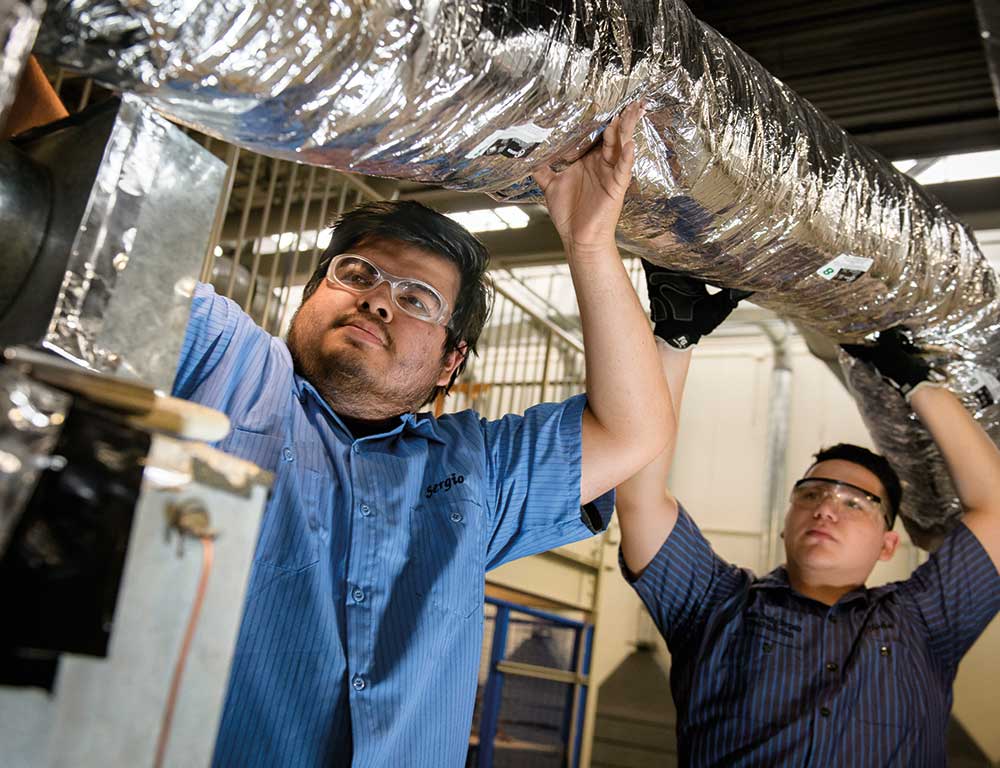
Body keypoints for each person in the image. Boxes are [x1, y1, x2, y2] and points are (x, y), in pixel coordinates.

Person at [171, 101, 670, 767]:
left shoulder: (472, 471)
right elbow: (95, 233)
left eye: (416, 301)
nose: (377, 299)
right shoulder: (227, 363)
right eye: (355, 273)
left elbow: (633, 430)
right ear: (310, 293)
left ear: (450, 361)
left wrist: (588, 243)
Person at [615, 263, 1000, 767]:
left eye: (855, 503)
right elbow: (640, 497)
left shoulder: (925, 621)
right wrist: (675, 338)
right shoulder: (714, 608)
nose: (826, 508)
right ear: (785, 520)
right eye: (813, 492)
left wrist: (918, 384)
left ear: (889, 544)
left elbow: (993, 509)